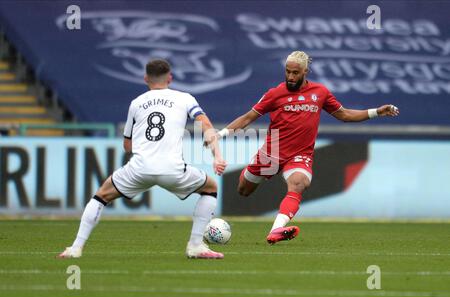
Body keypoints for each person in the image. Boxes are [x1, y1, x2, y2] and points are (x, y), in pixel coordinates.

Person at [207, 51, 399, 244]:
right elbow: (248, 117)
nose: (291, 77)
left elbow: (345, 115)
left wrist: (376, 112)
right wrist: (220, 134)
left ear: (305, 71)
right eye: (288, 72)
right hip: (271, 154)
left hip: (300, 155)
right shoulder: (275, 94)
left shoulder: (320, 93)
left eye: (295, 73)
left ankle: (276, 230)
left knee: (299, 183)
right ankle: (253, 182)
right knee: (244, 190)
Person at [59, 59, 227, 259]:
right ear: (170, 78)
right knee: (210, 188)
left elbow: (127, 145)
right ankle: (195, 245)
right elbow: (205, 124)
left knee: (101, 197)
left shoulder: (136, 103)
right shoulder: (185, 98)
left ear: (145, 78)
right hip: (172, 169)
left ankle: (75, 248)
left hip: (140, 167)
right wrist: (217, 156)